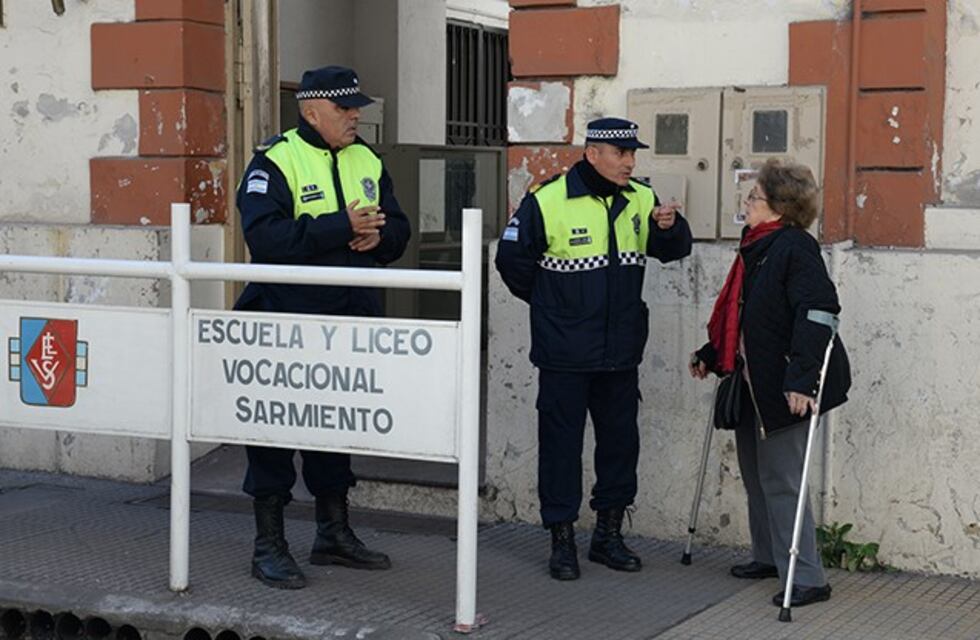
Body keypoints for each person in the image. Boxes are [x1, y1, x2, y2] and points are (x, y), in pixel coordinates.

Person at [234, 65, 411, 589]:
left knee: (335, 425)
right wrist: (342, 227)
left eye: (357, 106)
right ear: (311, 110)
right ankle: (268, 545)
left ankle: (332, 534)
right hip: (285, 319)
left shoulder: (367, 159)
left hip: (347, 317)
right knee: (273, 430)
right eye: (344, 107)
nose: (355, 115)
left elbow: (398, 229)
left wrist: (375, 238)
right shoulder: (275, 159)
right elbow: (266, 239)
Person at [495, 117, 693, 580]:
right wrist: (553, 307)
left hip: (620, 350)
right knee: (561, 447)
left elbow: (671, 249)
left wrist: (669, 225)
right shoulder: (548, 199)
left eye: (632, 154)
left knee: (620, 445)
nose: (630, 162)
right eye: (621, 153)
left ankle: (607, 535)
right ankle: (561, 539)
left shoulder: (641, 198)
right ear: (593, 153)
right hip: (564, 353)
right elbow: (511, 262)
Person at [689, 159, 851, 608]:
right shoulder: (756, 245)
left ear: (780, 206)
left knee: (782, 479)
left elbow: (819, 311)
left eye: (753, 197)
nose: (745, 203)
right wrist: (711, 354)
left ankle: (807, 577)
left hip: (786, 384)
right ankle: (768, 556)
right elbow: (746, 317)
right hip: (752, 380)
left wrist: (802, 380)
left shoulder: (794, 247)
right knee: (756, 475)